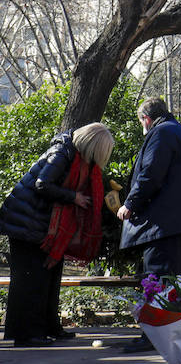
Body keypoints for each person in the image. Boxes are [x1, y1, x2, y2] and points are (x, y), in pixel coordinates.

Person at [1, 123, 115, 347]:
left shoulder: (74, 156)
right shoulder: (62, 153)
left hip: (41, 224)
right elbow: (42, 184)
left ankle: (48, 327)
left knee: (49, 279)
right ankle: (27, 334)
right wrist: (74, 197)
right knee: (31, 279)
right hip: (25, 222)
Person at [119, 98, 181, 352]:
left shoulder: (160, 133)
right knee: (171, 280)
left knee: (157, 279)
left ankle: (154, 337)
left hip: (163, 225)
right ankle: (168, 333)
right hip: (179, 223)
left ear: (146, 119)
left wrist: (130, 204)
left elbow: (150, 174)